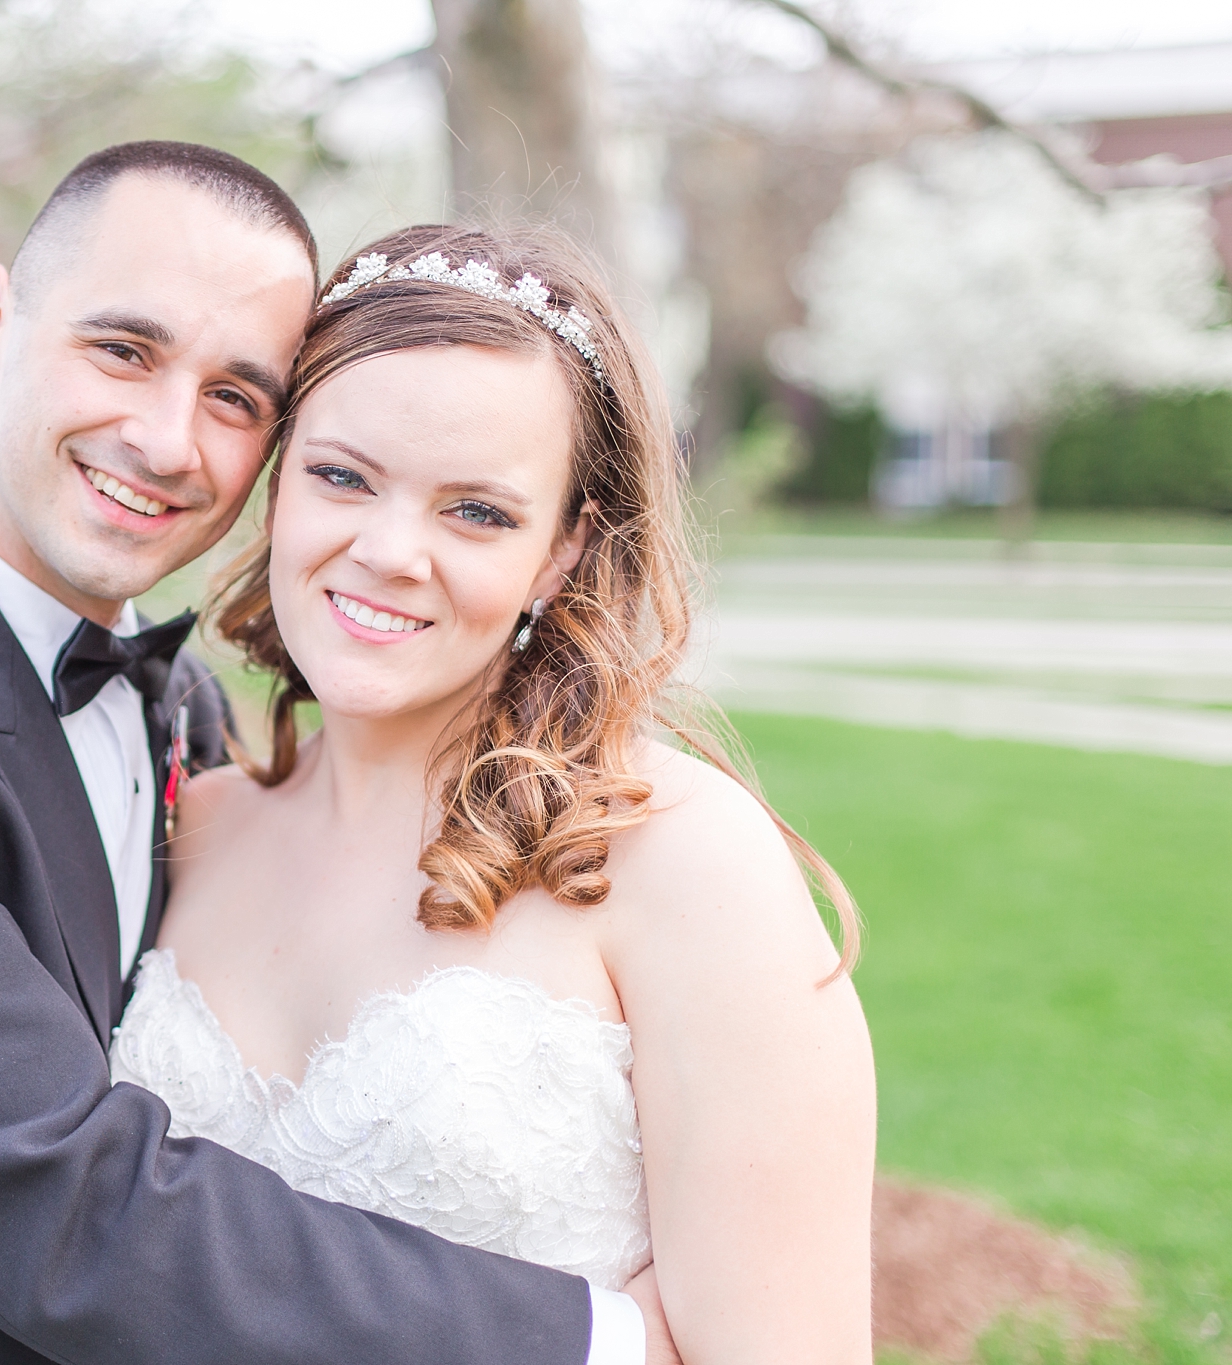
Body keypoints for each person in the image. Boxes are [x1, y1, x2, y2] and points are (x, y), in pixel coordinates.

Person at [0, 143, 670, 1365]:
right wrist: (597, 1338)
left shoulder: (186, 718)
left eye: (235, 397)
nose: (166, 440)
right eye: (123, 350)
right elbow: (65, 1206)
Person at [112, 224, 878, 1361]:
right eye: (340, 476)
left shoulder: (676, 860)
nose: (388, 552)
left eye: (475, 511)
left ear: (562, 553)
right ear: (277, 485)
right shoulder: (194, 830)